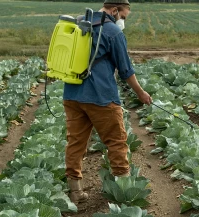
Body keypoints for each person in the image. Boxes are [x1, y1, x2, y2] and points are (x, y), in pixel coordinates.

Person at [63, 0, 152, 204]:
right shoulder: (113, 32)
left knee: (75, 142)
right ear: (114, 10)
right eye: (123, 16)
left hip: (72, 95)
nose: (122, 20)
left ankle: (75, 192)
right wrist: (140, 93)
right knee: (116, 141)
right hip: (101, 97)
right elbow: (125, 70)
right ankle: (123, 191)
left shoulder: (79, 23)